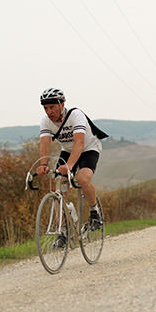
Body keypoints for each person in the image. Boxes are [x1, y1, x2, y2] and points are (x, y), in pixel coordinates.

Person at [36, 88, 104, 244]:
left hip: (88, 149)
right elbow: (45, 143)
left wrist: (70, 165)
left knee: (82, 178)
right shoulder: (46, 121)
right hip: (67, 151)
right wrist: (43, 164)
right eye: (45, 108)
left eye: (52, 107)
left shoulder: (75, 115)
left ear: (62, 104)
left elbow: (79, 142)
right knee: (57, 184)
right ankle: (64, 230)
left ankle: (95, 212)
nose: (49, 111)